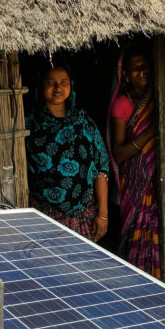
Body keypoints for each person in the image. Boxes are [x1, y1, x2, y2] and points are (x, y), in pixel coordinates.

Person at [26, 64, 109, 241]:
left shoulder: (84, 123)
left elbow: (101, 168)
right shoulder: (29, 125)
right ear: (41, 86)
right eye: (51, 82)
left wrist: (103, 214)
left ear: (71, 86)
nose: (57, 88)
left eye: (63, 82)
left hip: (82, 217)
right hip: (42, 217)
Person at [107, 48, 161, 277]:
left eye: (144, 65)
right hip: (137, 185)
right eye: (135, 68)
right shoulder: (123, 104)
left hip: (157, 180)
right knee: (136, 236)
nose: (142, 71)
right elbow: (119, 153)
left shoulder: (157, 95)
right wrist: (151, 132)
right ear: (125, 75)